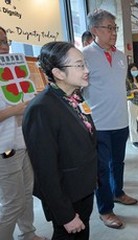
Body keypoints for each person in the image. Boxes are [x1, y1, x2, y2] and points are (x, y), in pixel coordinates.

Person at [22, 41, 97, 240]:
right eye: (80, 65)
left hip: (82, 189)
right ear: (59, 73)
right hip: (67, 197)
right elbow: (45, 170)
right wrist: (65, 215)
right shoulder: (42, 109)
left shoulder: (73, 98)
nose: (86, 70)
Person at [82, 9, 137, 229]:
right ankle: (105, 210)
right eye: (109, 28)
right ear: (95, 30)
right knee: (101, 169)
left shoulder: (121, 56)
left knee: (118, 162)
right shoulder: (84, 55)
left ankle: (118, 192)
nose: (114, 32)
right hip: (98, 123)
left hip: (120, 120)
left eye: (115, 28)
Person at [0, 26, 46, 240]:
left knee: (27, 194)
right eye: (0, 42)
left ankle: (28, 233)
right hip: (4, 149)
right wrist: (15, 110)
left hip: (23, 143)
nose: (4, 46)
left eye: (6, 41)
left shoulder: (13, 71)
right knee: (13, 202)